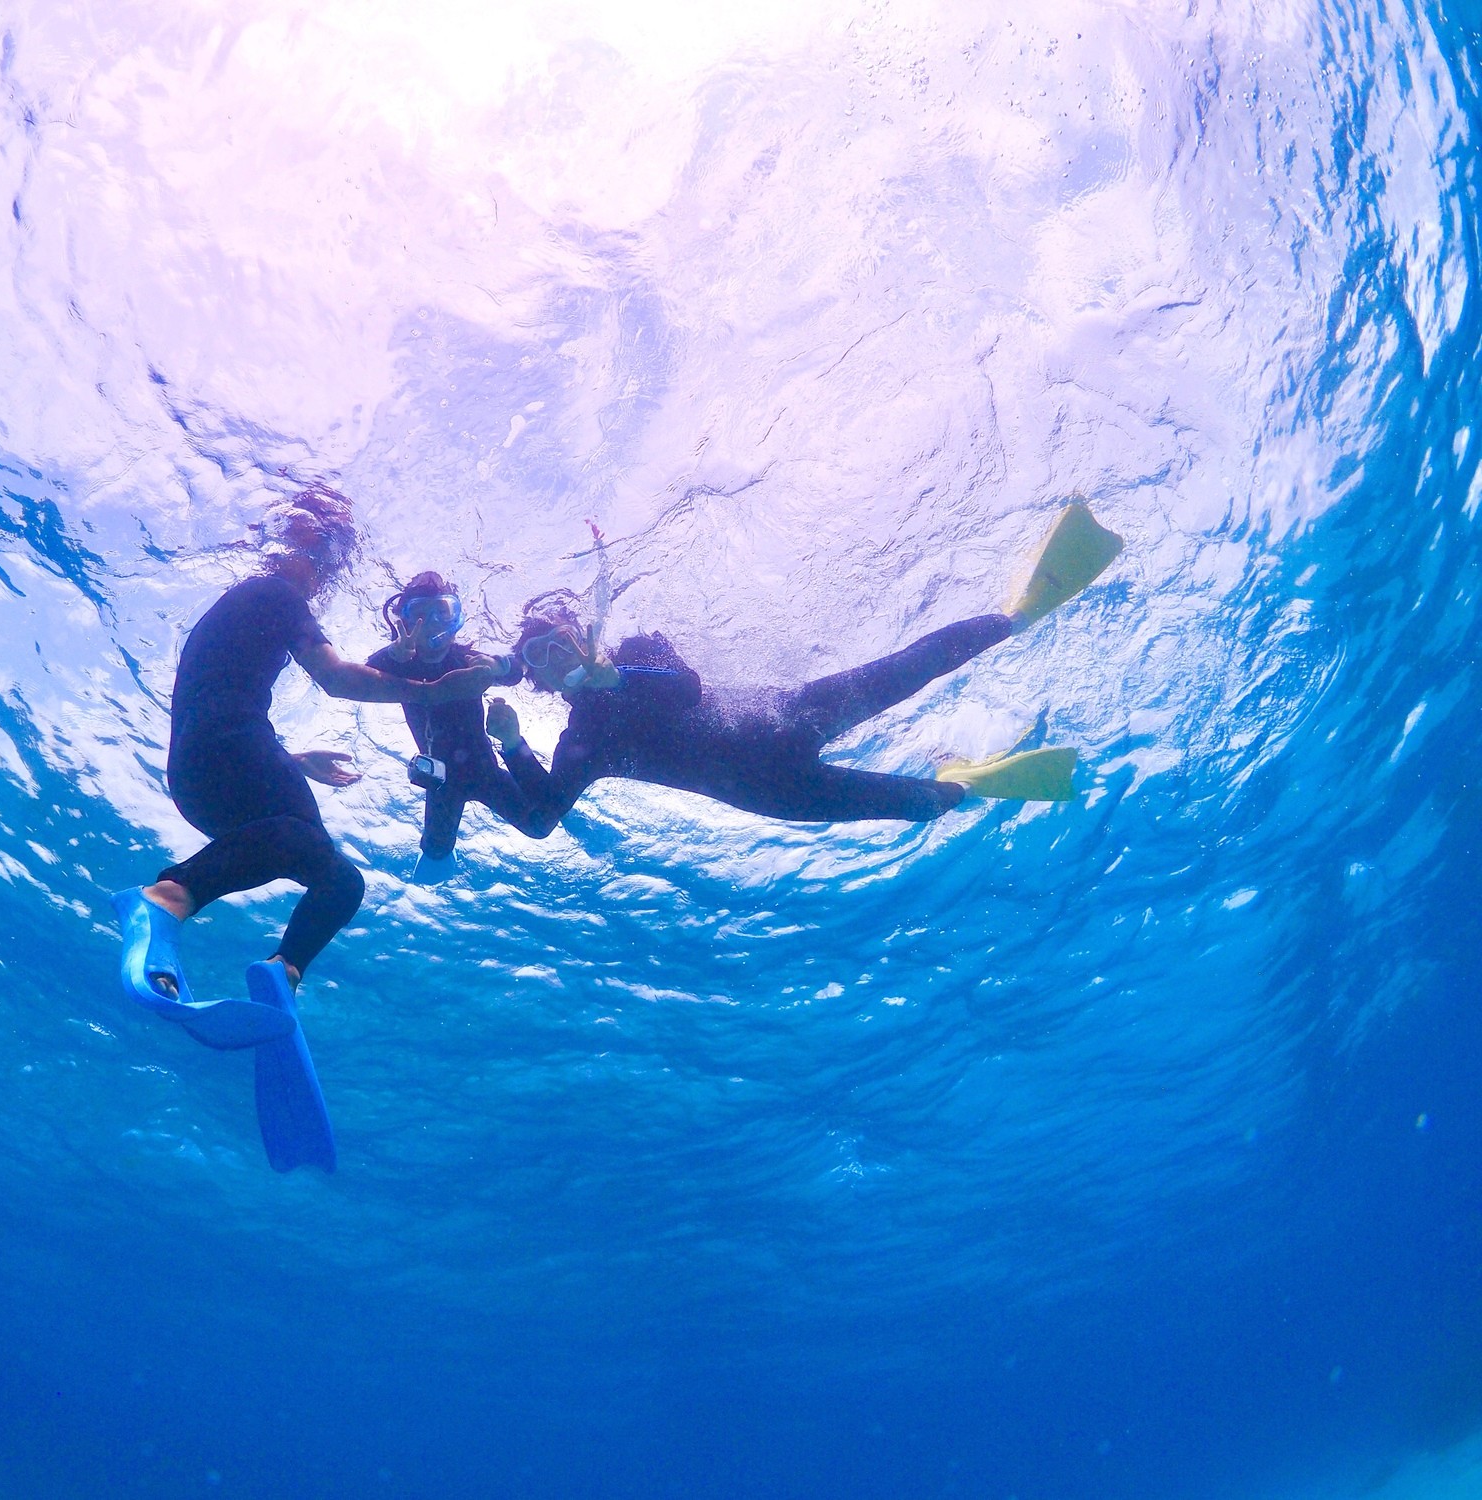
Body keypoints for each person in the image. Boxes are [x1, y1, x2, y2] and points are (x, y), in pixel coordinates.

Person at [109, 486, 510, 1171]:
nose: (322, 576)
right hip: (227, 749)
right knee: (315, 851)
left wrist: (289, 760)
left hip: (208, 769)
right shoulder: (272, 593)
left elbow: (208, 696)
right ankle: (167, 899)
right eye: (323, 558)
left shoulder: (248, 607)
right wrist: (434, 690)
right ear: (308, 555)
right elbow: (335, 678)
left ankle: (283, 973)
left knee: (338, 879)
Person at [485, 501, 1123, 834]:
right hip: (773, 793)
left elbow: (688, 691)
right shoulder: (580, 745)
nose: (557, 661)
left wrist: (619, 677)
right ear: (536, 683)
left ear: (583, 632)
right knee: (918, 807)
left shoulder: (637, 652)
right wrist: (514, 748)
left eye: (562, 642)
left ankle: (1016, 615)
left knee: (909, 668)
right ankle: (965, 780)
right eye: (540, 661)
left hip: (789, 718)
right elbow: (541, 819)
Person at [365, 572, 544, 884]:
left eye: (442, 613)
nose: (433, 624)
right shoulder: (400, 662)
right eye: (420, 614)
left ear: (456, 618)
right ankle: (438, 869)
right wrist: (391, 654)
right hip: (442, 781)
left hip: (486, 772)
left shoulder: (467, 658)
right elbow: (363, 677)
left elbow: (515, 672)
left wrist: (500, 665)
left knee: (539, 827)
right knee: (435, 850)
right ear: (402, 624)